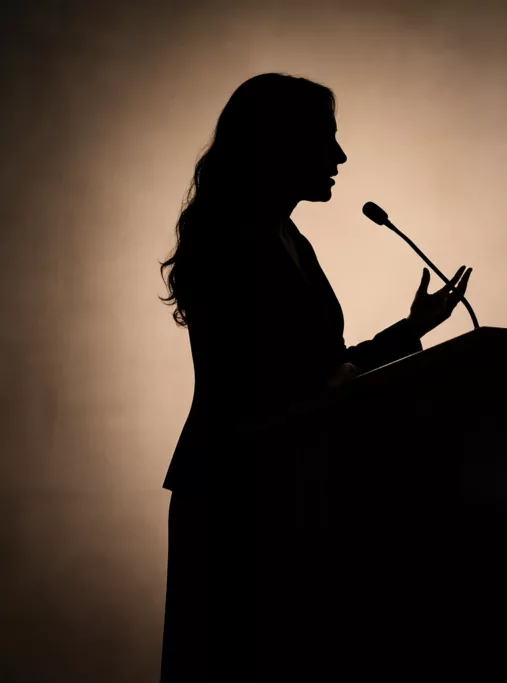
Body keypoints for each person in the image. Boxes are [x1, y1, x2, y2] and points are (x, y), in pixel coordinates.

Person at [156, 72, 471, 682]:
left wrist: (413, 332)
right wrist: (339, 383)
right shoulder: (231, 240)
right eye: (325, 139)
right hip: (237, 490)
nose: (339, 156)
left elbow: (322, 370)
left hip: (283, 484)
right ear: (278, 144)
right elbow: (280, 385)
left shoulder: (287, 236)